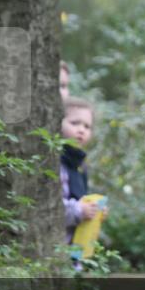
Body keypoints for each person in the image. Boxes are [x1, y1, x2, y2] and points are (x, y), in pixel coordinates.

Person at [60, 96, 101, 244]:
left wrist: (95, 211)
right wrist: (79, 210)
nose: (81, 130)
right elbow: (49, 207)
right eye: (75, 123)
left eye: (87, 126)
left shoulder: (80, 166)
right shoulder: (56, 162)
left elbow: (81, 199)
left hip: (75, 250)